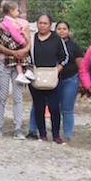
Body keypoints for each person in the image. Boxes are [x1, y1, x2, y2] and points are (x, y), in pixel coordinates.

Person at [0, 0, 30, 140]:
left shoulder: (23, 23)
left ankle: (18, 127)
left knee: (18, 97)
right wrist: (12, 52)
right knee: (1, 96)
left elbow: (28, 42)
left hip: (19, 62)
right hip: (3, 61)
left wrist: (23, 51)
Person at [28, 14, 68, 144]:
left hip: (52, 78)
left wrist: (57, 70)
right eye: (40, 23)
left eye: (45, 23)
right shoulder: (32, 39)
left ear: (50, 25)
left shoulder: (57, 39)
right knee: (38, 107)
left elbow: (65, 57)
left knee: (54, 108)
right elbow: (27, 56)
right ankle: (42, 134)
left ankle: (56, 135)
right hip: (36, 76)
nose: (42, 25)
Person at [55, 21, 84, 141]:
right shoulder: (51, 44)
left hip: (70, 80)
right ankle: (34, 130)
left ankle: (67, 135)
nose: (61, 31)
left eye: (64, 29)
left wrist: (82, 82)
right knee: (42, 106)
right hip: (52, 80)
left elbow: (81, 65)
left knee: (67, 109)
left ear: (69, 31)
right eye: (59, 28)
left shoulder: (74, 46)